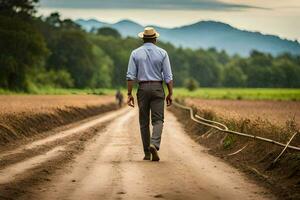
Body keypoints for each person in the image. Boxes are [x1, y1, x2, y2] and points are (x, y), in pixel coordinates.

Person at [126, 27, 173, 161]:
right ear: (155, 39)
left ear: (143, 39)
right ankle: (154, 144)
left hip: (142, 88)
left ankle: (147, 153)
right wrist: (170, 93)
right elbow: (168, 76)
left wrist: (129, 94)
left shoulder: (135, 53)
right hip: (158, 87)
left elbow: (130, 76)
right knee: (158, 120)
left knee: (144, 122)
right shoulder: (163, 53)